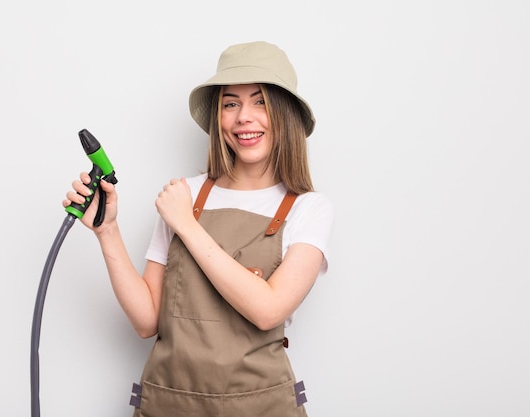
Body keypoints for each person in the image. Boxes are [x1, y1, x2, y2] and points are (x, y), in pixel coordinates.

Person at [63, 40, 333, 417]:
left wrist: (187, 225)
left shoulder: (309, 209)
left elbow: (268, 310)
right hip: (168, 405)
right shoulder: (183, 195)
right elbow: (146, 321)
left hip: (261, 408)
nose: (244, 117)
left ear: (284, 114)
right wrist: (107, 230)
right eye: (230, 104)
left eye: (260, 102)